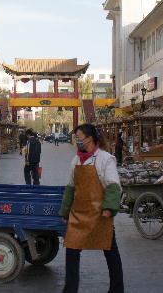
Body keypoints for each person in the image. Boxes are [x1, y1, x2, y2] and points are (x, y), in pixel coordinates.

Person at [59, 124, 124, 293]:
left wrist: (109, 208)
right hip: (79, 214)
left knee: (110, 251)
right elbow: (70, 187)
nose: (77, 140)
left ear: (89, 138)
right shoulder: (75, 160)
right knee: (72, 251)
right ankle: (70, 289)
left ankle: (117, 289)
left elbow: (113, 185)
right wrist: (65, 212)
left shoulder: (105, 158)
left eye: (79, 136)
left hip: (100, 214)